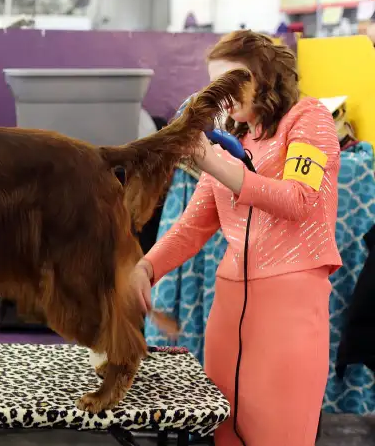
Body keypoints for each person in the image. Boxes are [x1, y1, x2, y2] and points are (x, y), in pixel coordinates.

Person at [132, 30, 341, 446]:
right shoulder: (236, 138)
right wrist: (146, 266)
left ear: (265, 76)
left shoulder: (309, 118)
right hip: (227, 314)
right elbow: (193, 225)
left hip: (288, 315)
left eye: (231, 81)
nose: (222, 97)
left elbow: (299, 199)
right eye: (214, 85)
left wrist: (214, 162)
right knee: (226, 433)